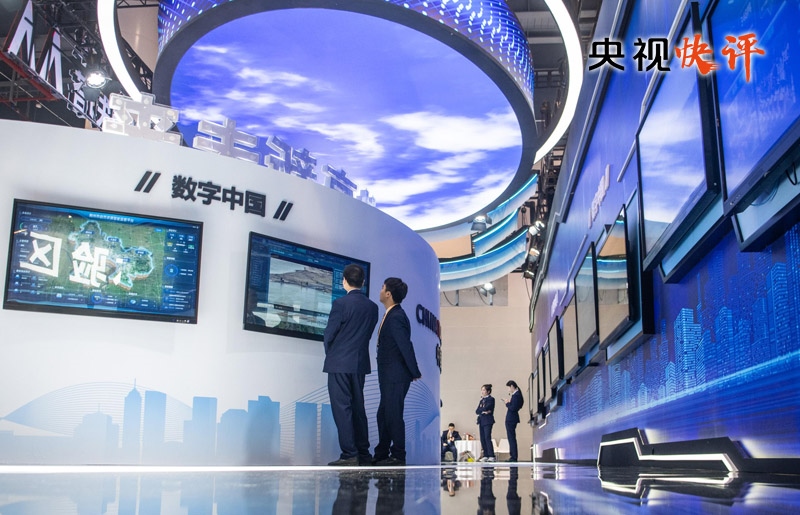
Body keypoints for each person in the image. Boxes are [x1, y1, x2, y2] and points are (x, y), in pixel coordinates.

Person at [323, 264, 379, 466]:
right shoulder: (373, 307)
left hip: (339, 362)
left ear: (344, 281)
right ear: (363, 282)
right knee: (358, 408)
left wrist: (333, 355)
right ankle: (363, 453)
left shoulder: (340, 303)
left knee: (342, 408)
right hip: (359, 363)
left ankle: (349, 454)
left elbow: (329, 335)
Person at [372, 277, 421, 466]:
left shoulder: (397, 316)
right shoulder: (392, 314)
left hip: (396, 374)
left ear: (388, 294)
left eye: (382, 287)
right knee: (384, 414)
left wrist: (414, 371)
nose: (380, 290)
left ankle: (398, 455)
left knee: (393, 414)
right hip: (389, 374)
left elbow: (405, 345)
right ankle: (382, 453)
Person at [502, 380, 523, 462]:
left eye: (508, 388)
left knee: (511, 438)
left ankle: (513, 456)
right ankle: (513, 456)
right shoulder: (517, 395)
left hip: (511, 419)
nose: (508, 390)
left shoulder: (516, 395)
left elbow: (513, 408)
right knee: (511, 438)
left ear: (511, 386)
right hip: (512, 418)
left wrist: (507, 403)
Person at [475, 384, 496, 462]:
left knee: (487, 437)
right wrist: (483, 411)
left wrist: (483, 410)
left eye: (484, 390)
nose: (482, 392)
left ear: (488, 391)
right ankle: (485, 454)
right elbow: (477, 411)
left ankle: (491, 455)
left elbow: (487, 407)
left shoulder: (491, 399)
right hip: (481, 420)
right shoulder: (481, 400)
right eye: (482, 390)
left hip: (488, 420)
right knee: (482, 438)